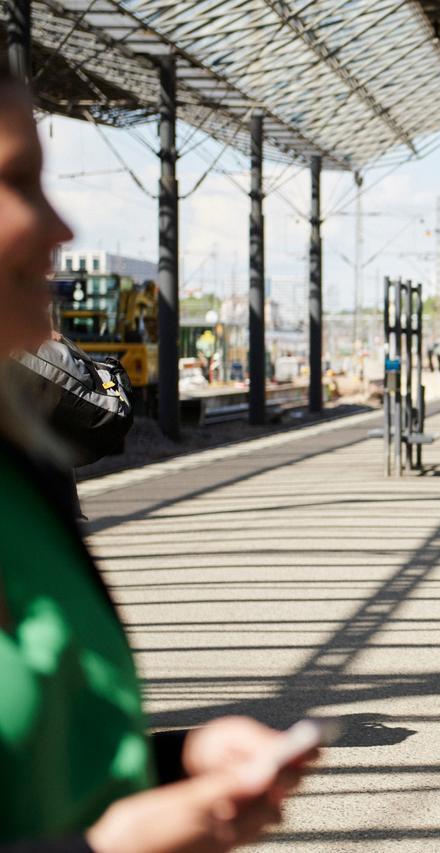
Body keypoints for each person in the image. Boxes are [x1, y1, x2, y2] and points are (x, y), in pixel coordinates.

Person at [0, 72, 315, 852]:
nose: (61, 225)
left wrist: (179, 760)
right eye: (17, 181)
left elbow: (44, 767)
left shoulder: (22, 468)